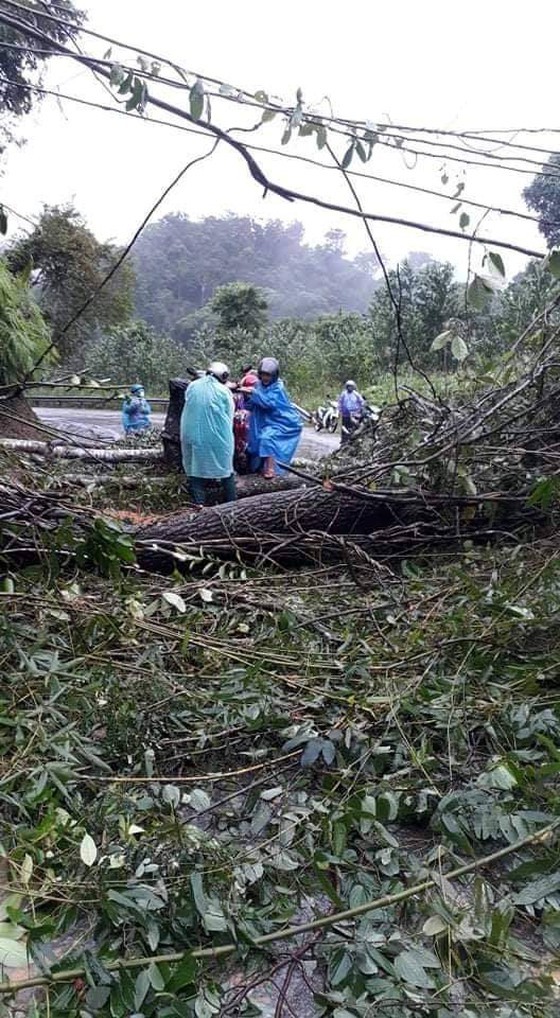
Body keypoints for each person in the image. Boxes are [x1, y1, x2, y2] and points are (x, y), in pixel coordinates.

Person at [180, 361, 236, 507]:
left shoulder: (192, 386)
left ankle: (199, 505)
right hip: (217, 438)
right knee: (226, 469)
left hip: (191, 435)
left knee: (195, 469)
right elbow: (229, 416)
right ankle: (232, 505)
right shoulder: (224, 391)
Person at [247, 357, 303, 479]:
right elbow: (251, 404)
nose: (265, 378)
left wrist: (254, 393)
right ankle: (259, 467)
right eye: (263, 375)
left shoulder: (278, 387)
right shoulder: (258, 385)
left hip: (281, 421)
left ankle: (271, 468)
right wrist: (245, 395)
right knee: (254, 441)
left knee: (267, 438)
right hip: (263, 420)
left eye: (268, 375)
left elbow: (269, 403)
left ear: (274, 376)